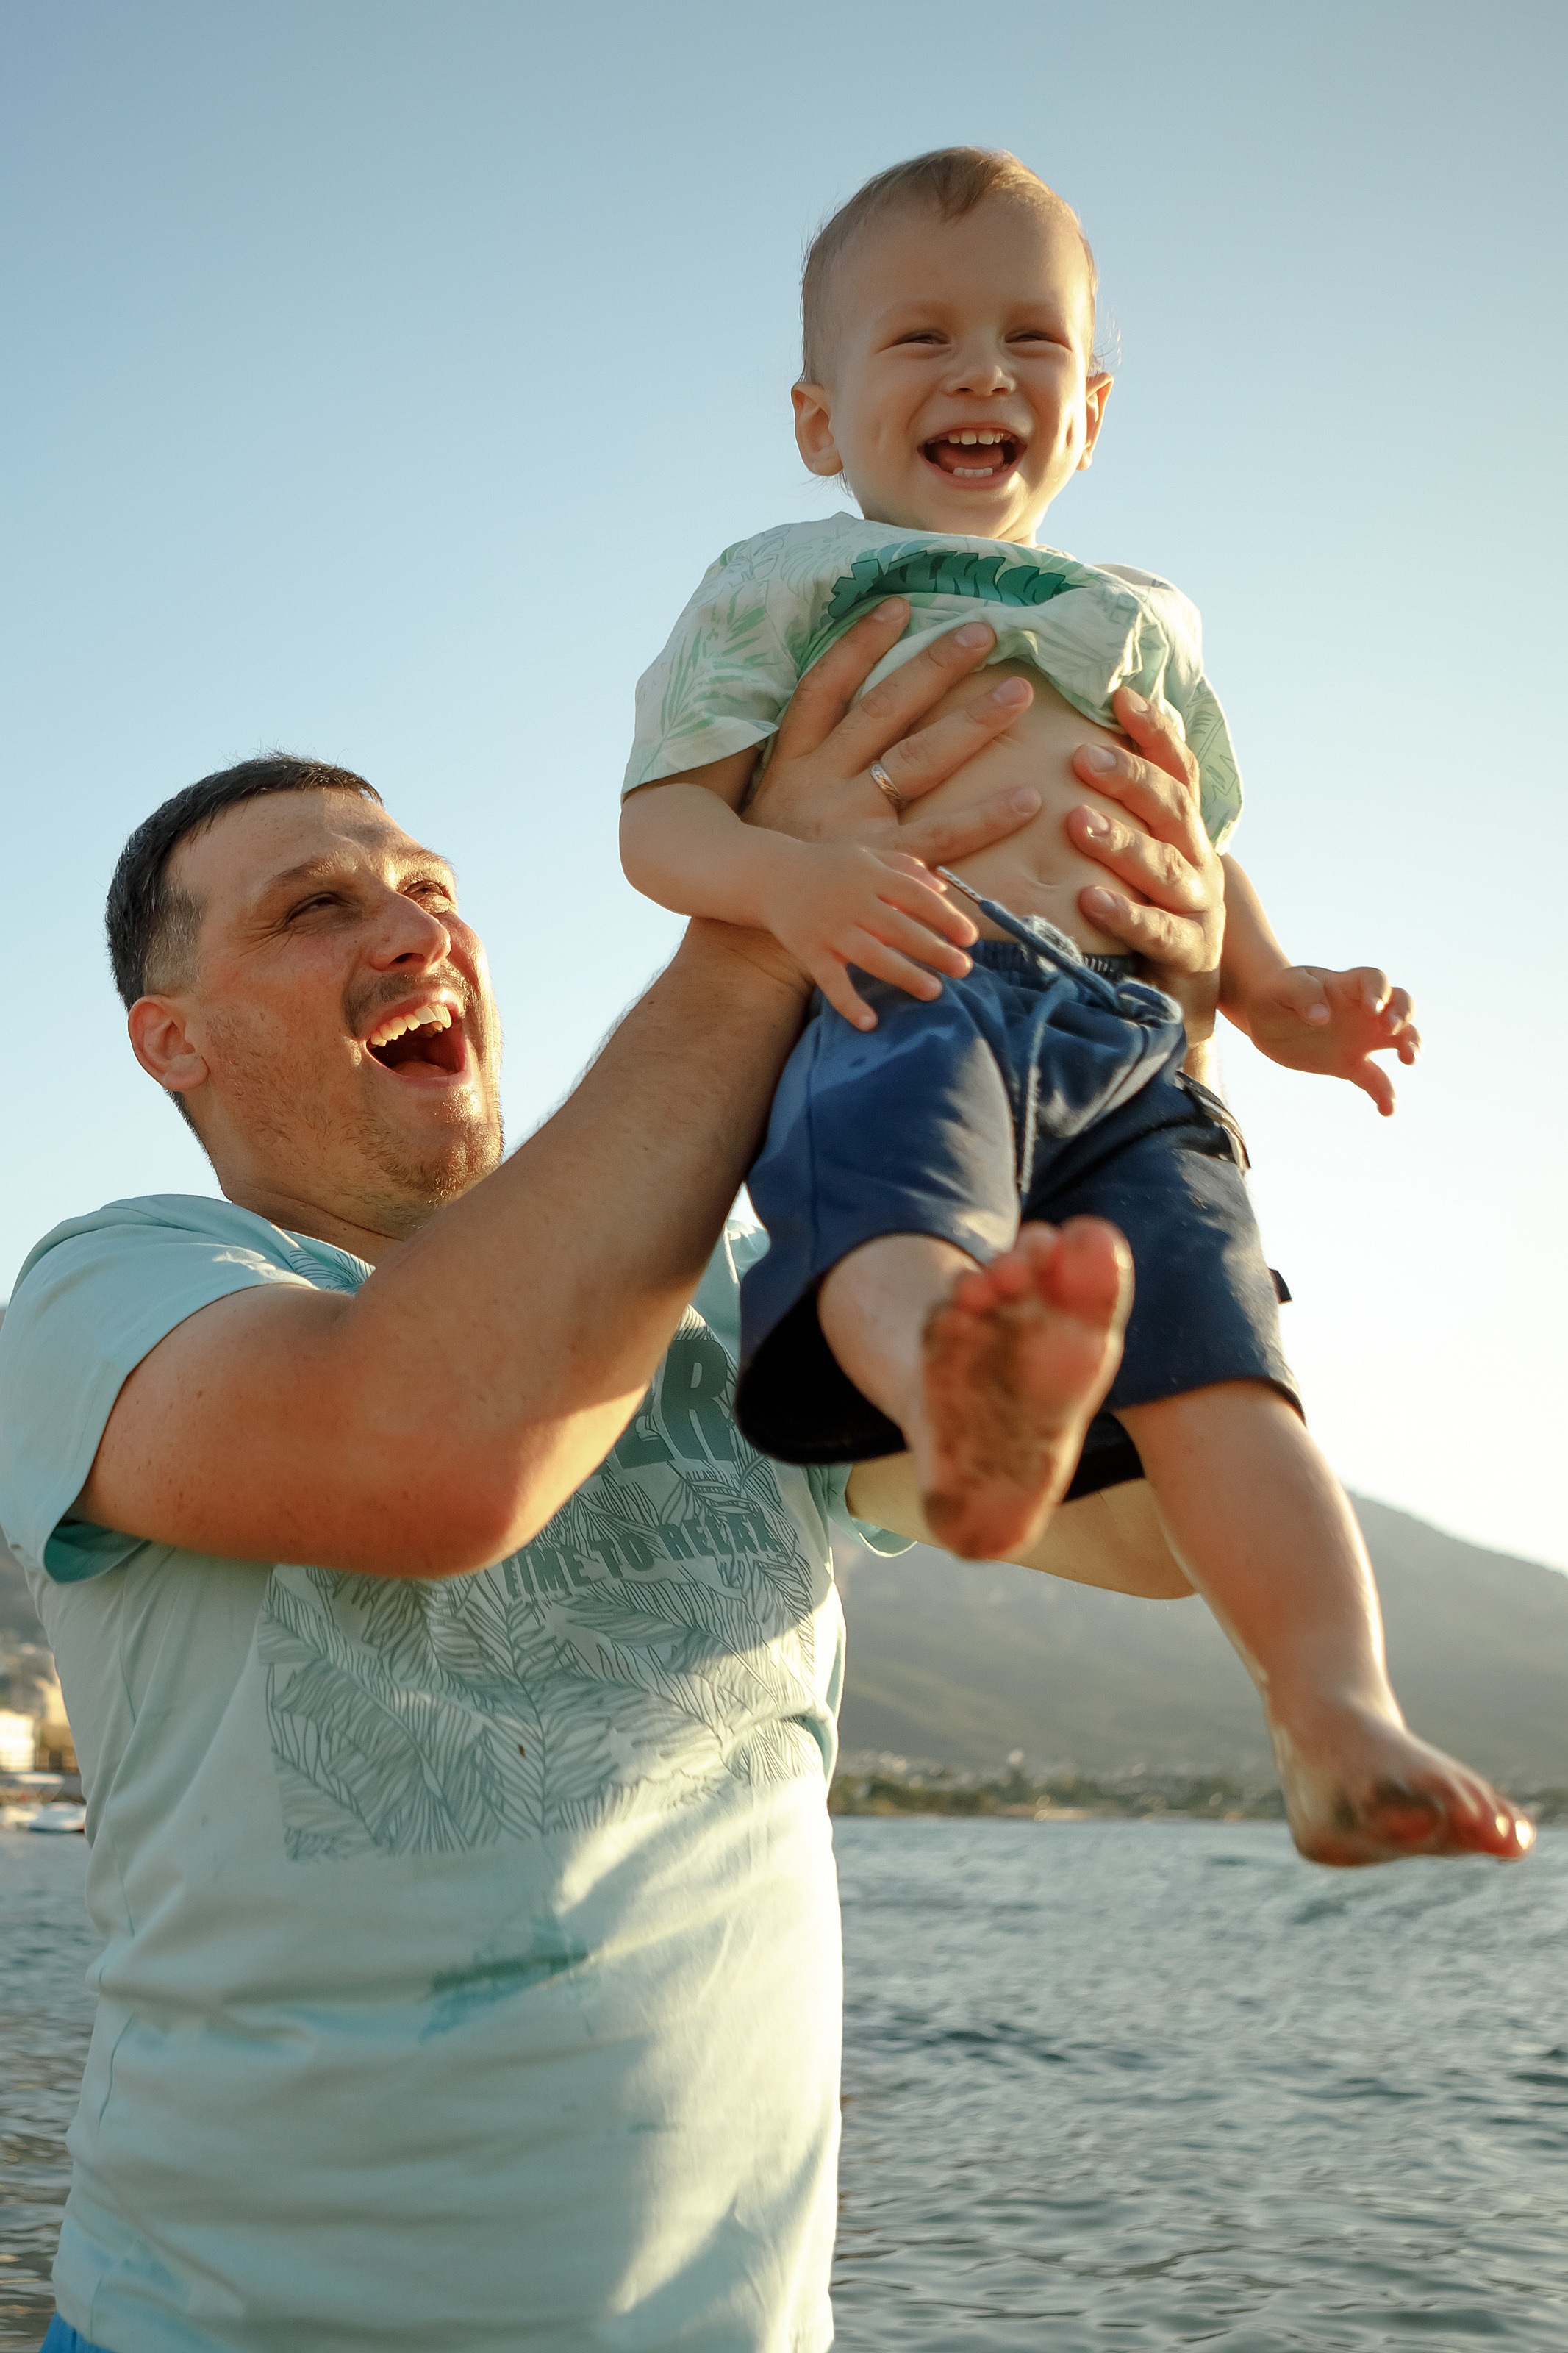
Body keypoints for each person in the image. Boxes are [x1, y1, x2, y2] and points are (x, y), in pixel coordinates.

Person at [0, 621, 1222, 2353]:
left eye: (426, 888)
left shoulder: (751, 1296)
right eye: (315, 907)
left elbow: (1169, 1528)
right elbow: (431, 1453)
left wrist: (1143, 1055)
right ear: (170, 1041)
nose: (414, 927)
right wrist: (756, 916)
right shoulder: (107, 1290)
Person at [620, 146, 1533, 1872]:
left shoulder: (1147, 620)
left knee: (1229, 1372)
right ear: (818, 421)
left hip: (1129, 1051)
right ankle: (954, 1399)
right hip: (913, 969)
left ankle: (1331, 1712)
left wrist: (1273, 995)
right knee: (893, 1209)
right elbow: (660, 818)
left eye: (1029, 341)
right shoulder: (785, 579)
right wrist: (791, 883)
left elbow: (1186, 837)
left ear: (1090, 407)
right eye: (921, 341)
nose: (980, 374)